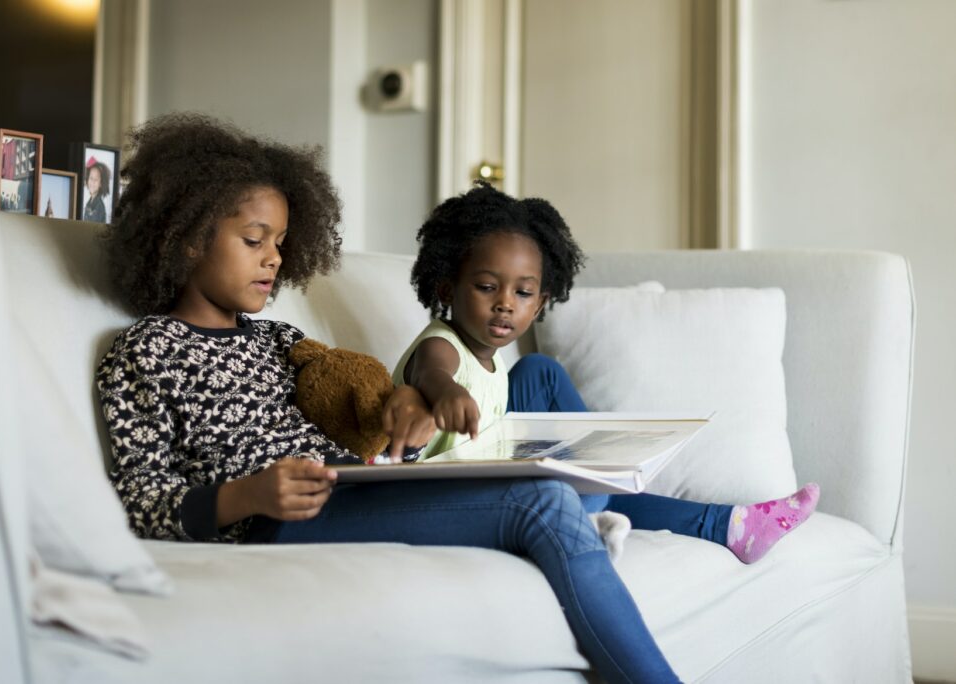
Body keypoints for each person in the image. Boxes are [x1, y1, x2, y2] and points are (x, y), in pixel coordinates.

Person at [96, 113, 682, 683]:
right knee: (542, 503)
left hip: (356, 484)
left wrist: (400, 405)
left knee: (546, 483)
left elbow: (353, 397)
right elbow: (137, 503)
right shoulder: (144, 351)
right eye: (254, 240)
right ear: (187, 237)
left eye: (280, 241)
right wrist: (248, 494)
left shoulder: (279, 340)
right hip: (273, 520)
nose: (274, 257)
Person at [395, 182, 820, 565]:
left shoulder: (490, 357)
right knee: (592, 487)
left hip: (488, 468)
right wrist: (445, 391)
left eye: (522, 293)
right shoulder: (442, 345)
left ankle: (612, 473)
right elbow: (432, 368)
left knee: (540, 372)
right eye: (487, 287)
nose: (506, 303)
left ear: (539, 304)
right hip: (455, 496)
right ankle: (709, 524)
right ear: (447, 288)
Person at [83, 159, 111, 223]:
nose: (92, 182)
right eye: (91, 178)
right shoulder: (89, 203)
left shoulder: (99, 206)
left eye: (96, 179)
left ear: (101, 183)